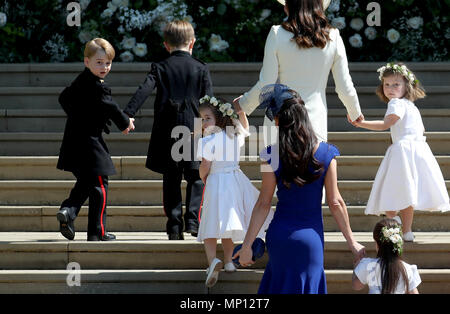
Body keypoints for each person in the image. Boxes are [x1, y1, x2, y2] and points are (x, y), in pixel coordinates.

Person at [233, 84, 365, 294]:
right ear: (304, 116)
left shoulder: (272, 155)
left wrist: (247, 245)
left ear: (278, 122)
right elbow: (335, 202)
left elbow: (263, 203)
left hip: (279, 237)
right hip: (309, 240)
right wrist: (352, 242)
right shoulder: (327, 153)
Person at [123, 20, 214, 240]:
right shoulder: (201, 68)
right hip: (193, 129)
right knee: (196, 175)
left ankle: (174, 226)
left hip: (168, 130)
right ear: (192, 43)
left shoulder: (160, 66)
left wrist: (128, 113)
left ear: (166, 45)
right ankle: (193, 220)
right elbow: (208, 100)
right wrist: (212, 126)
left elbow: (144, 89)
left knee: (171, 178)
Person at [233, 0, 363, 144]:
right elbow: (344, 86)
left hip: (279, 120)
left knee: (275, 166)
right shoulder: (334, 36)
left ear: (289, 6)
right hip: (315, 122)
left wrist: (244, 104)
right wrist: (355, 112)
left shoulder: (276, 33)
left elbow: (266, 84)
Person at [352, 62, 450, 241]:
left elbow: (385, 124)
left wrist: (361, 123)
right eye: (386, 84)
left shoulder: (396, 103)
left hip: (402, 152)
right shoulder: (411, 106)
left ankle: (392, 221)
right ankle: (407, 231)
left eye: (395, 84)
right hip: (418, 151)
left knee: (393, 188)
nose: (390, 88)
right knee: (408, 193)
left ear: (407, 86)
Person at [56, 38, 135, 241]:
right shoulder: (99, 87)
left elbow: (63, 98)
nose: (104, 67)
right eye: (99, 62)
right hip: (89, 144)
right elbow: (111, 107)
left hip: (73, 142)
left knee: (87, 182)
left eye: (108, 62)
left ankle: (68, 211)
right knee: (100, 184)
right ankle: (97, 231)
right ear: (86, 61)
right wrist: (126, 123)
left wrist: (79, 116)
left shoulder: (81, 80)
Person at [196, 95, 274, 288]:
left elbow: (205, 164)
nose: (204, 123)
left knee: (211, 221)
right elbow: (245, 127)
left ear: (219, 119)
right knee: (228, 221)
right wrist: (240, 111)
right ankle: (229, 262)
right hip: (234, 181)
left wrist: (203, 176)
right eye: (202, 119)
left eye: (208, 118)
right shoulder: (234, 135)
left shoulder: (207, 141)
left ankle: (213, 260)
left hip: (216, 181)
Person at [352, 218, 421, 294]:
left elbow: (357, 286)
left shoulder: (368, 265)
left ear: (377, 245)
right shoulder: (406, 269)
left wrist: (356, 266)